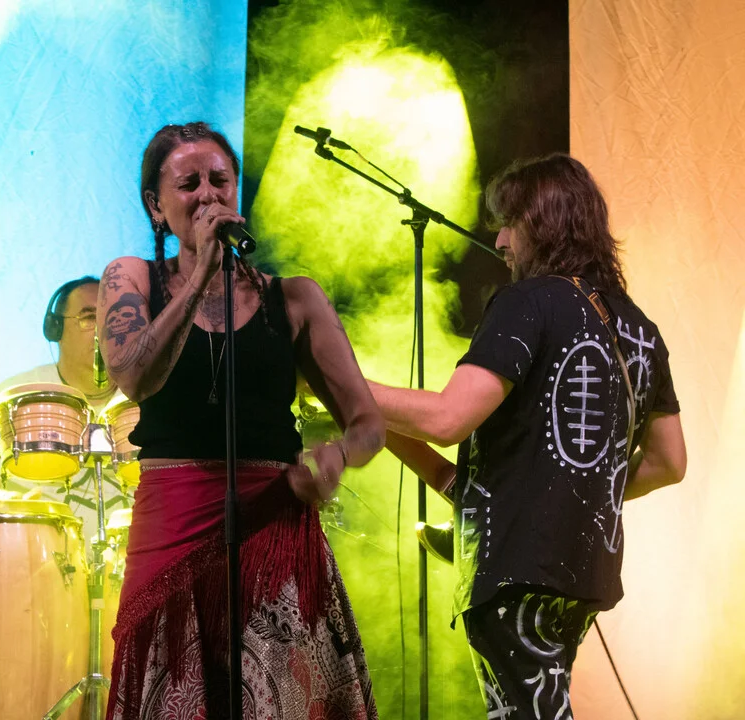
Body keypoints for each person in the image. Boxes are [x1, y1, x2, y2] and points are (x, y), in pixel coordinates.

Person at [370, 154, 687, 719]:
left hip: (514, 572)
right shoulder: (641, 331)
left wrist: (340, 381)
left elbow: (447, 420)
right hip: (582, 573)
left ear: (543, 223)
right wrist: (576, 495)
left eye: (509, 223)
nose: (500, 240)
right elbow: (669, 462)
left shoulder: (528, 302)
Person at [98, 122, 385, 719]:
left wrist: (336, 456)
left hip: (274, 525)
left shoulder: (295, 298)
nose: (207, 193)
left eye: (220, 180)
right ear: (156, 206)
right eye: (188, 184)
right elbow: (134, 376)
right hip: (174, 522)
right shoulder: (132, 278)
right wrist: (200, 274)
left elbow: (367, 423)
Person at [0, 276, 119, 509]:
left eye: (111, 319)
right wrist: (3, 504)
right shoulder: (14, 397)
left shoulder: (151, 397)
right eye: (88, 318)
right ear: (56, 329)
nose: (102, 330)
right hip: (40, 532)